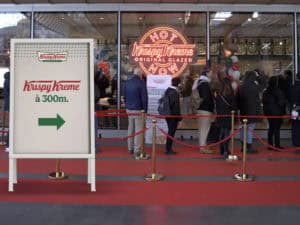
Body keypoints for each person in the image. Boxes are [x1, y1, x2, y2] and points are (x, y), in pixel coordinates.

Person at [124, 67, 148, 158]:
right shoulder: (141, 83)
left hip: (129, 109)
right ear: (140, 74)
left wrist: (127, 106)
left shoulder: (127, 83)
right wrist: (145, 110)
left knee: (130, 129)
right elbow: (144, 99)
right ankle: (137, 150)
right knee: (139, 131)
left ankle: (130, 148)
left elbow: (125, 97)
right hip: (138, 110)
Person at [237, 70, 263, 154]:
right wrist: (258, 76)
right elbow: (264, 84)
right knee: (250, 129)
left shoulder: (241, 86)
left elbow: (238, 99)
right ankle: (249, 147)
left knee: (242, 129)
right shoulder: (254, 86)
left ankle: (243, 146)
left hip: (243, 111)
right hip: (253, 111)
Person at [193, 69, 215, 154]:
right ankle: (202, 147)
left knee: (202, 128)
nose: (212, 73)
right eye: (211, 72)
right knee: (204, 129)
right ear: (207, 73)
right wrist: (212, 107)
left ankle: (203, 145)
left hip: (200, 109)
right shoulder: (205, 84)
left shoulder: (199, 82)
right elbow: (206, 98)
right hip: (205, 109)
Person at [262, 76, 285, 149]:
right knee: (276, 129)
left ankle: (270, 145)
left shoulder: (266, 91)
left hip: (268, 112)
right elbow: (281, 103)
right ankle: (277, 145)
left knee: (271, 128)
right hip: (277, 113)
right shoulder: (278, 90)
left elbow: (263, 101)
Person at [215, 77, 236, 158]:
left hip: (220, 116)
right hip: (228, 116)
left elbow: (217, 106)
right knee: (227, 134)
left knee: (221, 133)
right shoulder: (231, 95)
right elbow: (234, 107)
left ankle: (222, 149)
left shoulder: (218, 94)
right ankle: (226, 150)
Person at [164, 77, 182, 155]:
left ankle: (168, 148)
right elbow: (176, 107)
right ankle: (168, 149)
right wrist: (179, 118)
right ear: (178, 84)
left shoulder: (167, 90)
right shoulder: (175, 93)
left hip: (167, 114)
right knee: (171, 132)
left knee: (170, 131)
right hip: (173, 116)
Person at [3, 71, 10, 152]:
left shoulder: (6, 80)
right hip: (11, 105)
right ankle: (8, 144)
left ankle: (8, 144)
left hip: (8, 105)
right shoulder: (11, 80)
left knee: (11, 126)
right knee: (12, 126)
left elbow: (5, 94)